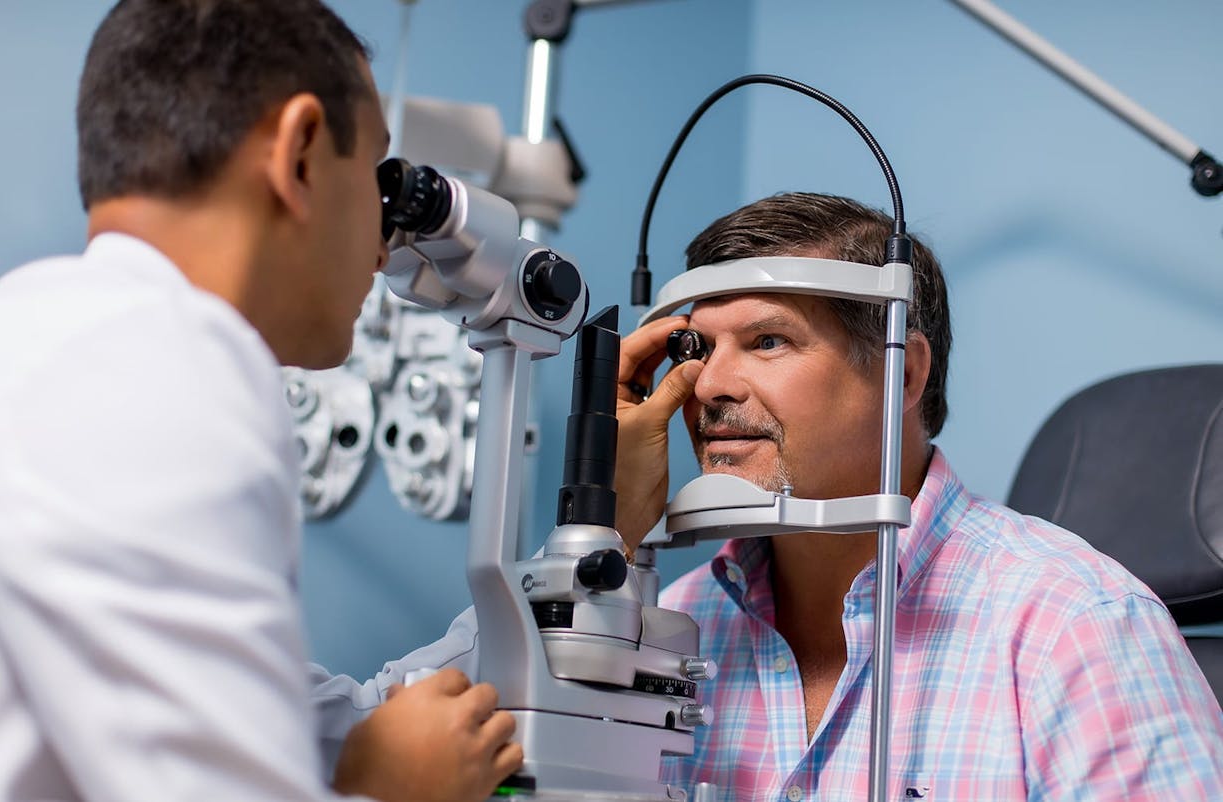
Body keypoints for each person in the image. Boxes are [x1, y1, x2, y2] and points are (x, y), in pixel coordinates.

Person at [0, 2, 520, 800]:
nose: (385, 243)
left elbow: (338, 729)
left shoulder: (12, 348)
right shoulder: (155, 374)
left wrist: (592, 549)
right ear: (302, 154)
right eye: (375, 179)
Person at [320, 192, 1223, 799]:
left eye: (769, 341)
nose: (709, 385)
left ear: (905, 372)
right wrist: (606, 532)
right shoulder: (655, 632)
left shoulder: (1074, 626)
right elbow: (419, 732)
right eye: (693, 348)